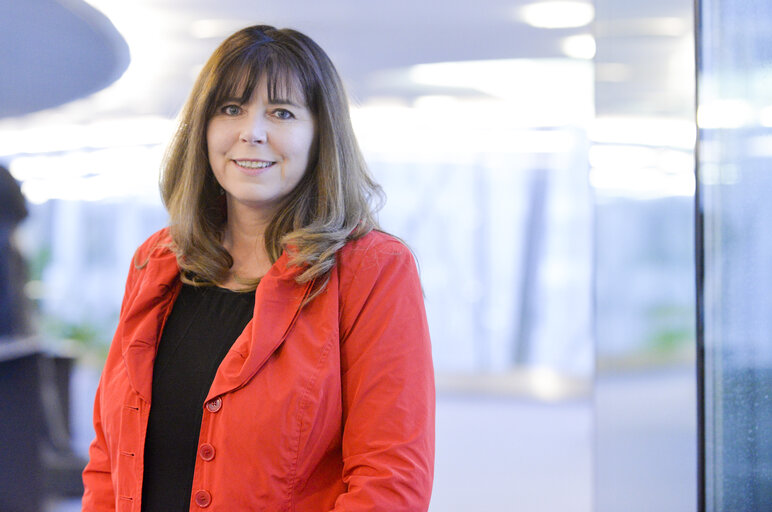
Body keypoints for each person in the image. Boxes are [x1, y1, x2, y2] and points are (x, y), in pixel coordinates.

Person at [81, 25, 435, 511]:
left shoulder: (372, 270)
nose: (252, 132)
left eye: (282, 112)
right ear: (203, 127)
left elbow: (390, 479)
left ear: (320, 136)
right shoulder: (156, 260)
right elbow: (107, 458)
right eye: (231, 109)